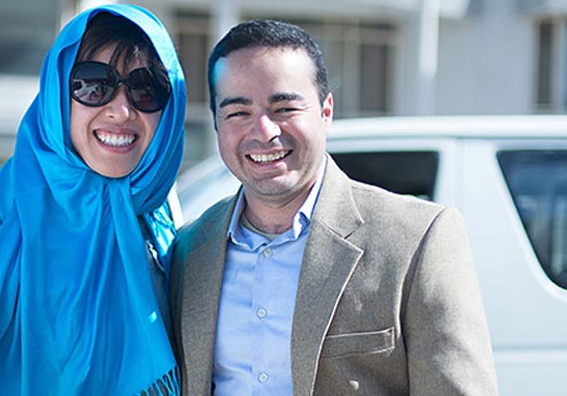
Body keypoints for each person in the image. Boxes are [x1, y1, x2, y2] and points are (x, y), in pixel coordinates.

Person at [169, 19, 498, 395]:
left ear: (326, 111)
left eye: (284, 108)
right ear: (216, 123)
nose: (263, 131)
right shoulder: (189, 251)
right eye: (238, 113)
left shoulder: (418, 239)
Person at [0, 4, 186, 395]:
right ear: (56, 95)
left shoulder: (159, 213)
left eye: (146, 89)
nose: (121, 110)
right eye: (92, 84)